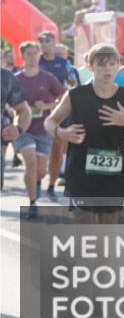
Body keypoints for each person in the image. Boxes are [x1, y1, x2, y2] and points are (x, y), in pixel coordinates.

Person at [44, 43, 124, 223]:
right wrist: (62, 132)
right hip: (81, 169)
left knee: (108, 223)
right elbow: (49, 122)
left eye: (112, 64)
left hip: (114, 171)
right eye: (101, 64)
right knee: (84, 222)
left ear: (118, 66)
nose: (107, 69)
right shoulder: (76, 95)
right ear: (90, 67)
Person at [14, 41, 65, 218]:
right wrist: (17, 109)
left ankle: (36, 182)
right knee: (30, 162)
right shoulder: (16, 79)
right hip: (23, 128)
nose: (32, 57)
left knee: (41, 170)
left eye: (35, 54)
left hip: (43, 129)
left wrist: (47, 105)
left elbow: (62, 98)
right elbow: (6, 102)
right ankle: (32, 203)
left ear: (39, 55)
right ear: (22, 56)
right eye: (28, 54)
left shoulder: (48, 77)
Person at [37, 31, 76, 201]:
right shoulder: (36, 61)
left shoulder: (64, 63)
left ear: (54, 43)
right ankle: (38, 180)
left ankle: (51, 186)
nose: (45, 44)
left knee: (57, 150)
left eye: (48, 41)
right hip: (38, 114)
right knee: (38, 153)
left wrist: (69, 89)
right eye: (42, 41)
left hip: (59, 112)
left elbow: (73, 83)